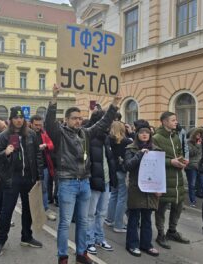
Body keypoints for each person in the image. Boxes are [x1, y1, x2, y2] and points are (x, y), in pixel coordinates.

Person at [45, 84, 120, 264]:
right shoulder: (60, 134)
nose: (78, 121)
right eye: (74, 118)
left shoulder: (85, 133)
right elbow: (49, 122)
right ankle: (63, 256)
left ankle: (81, 253)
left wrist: (115, 103)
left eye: (80, 118)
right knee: (64, 223)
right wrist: (54, 98)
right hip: (67, 183)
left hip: (84, 183)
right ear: (67, 119)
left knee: (83, 221)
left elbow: (103, 123)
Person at [0, 106, 44, 257]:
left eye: (21, 118)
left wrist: (39, 176)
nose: (19, 120)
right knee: (6, 211)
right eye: (16, 117)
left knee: (28, 210)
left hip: (29, 177)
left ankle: (26, 237)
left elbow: (38, 155)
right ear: (11, 119)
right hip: (11, 178)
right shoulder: (3, 136)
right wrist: (5, 153)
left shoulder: (32, 135)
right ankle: (0, 241)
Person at [153, 112, 190, 249]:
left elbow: (179, 154)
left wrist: (182, 161)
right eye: (173, 120)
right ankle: (161, 234)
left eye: (176, 120)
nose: (176, 122)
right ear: (164, 122)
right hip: (164, 178)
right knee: (161, 208)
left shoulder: (175, 137)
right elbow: (154, 159)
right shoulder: (156, 138)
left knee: (178, 205)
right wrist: (171, 162)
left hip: (177, 178)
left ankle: (172, 231)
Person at [124, 120, 160, 257]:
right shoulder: (130, 148)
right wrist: (139, 154)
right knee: (134, 217)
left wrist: (160, 188)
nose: (145, 135)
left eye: (147, 132)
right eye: (141, 132)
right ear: (137, 134)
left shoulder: (155, 149)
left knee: (147, 218)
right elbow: (127, 166)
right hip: (136, 187)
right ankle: (132, 244)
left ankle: (146, 245)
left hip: (151, 189)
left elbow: (159, 171)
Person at [85, 110, 117, 255]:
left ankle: (100, 238)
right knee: (90, 213)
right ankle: (89, 240)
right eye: (108, 121)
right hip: (93, 181)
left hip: (106, 180)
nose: (110, 125)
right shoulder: (89, 138)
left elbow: (110, 161)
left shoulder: (106, 138)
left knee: (102, 213)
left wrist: (112, 178)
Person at [105, 121, 132, 232]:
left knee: (114, 195)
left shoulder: (108, 140)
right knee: (122, 198)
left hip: (112, 170)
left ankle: (109, 219)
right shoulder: (126, 141)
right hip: (122, 170)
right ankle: (119, 224)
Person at [29, 114, 56, 221]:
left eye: (40, 125)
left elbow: (51, 145)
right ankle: (32, 210)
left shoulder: (43, 133)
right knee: (31, 190)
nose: (38, 127)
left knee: (43, 189)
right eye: (36, 125)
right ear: (31, 124)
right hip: (30, 167)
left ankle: (45, 209)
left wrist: (45, 145)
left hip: (43, 166)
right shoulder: (27, 134)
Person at [185, 127, 203, 207]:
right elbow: (190, 153)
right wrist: (197, 145)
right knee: (192, 184)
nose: (199, 135)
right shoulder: (188, 142)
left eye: (200, 134)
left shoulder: (202, 142)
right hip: (191, 166)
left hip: (201, 166)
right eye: (197, 134)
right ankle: (192, 201)